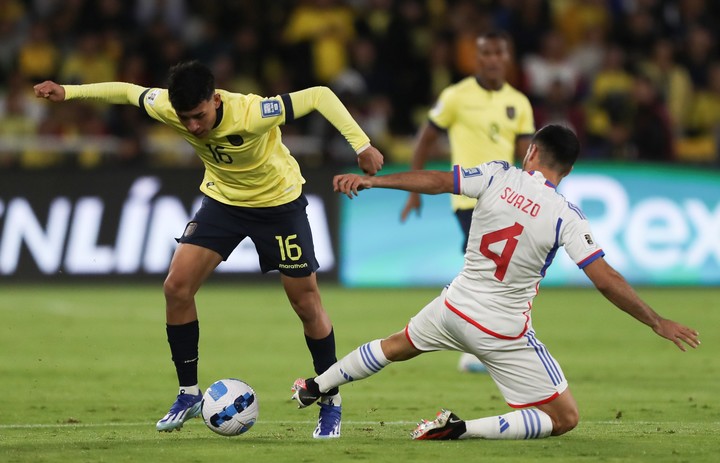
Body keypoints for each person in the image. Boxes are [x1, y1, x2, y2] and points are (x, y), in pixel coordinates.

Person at [34, 60, 384, 439]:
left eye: (199, 116)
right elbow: (126, 92)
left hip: (279, 207)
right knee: (176, 287)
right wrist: (69, 92)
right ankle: (188, 394)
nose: (193, 127)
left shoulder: (252, 112)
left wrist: (361, 145)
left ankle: (329, 398)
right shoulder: (168, 105)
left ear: (216, 100)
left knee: (305, 303)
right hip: (223, 204)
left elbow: (319, 95)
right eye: (185, 119)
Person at [291, 124, 700, 440]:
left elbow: (438, 182)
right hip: (502, 331)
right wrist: (656, 321)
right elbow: (606, 280)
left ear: (532, 151)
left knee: (395, 345)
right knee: (565, 418)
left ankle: (316, 384)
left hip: (453, 307)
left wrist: (376, 181)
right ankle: (460, 429)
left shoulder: (497, 175)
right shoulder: (566, 216)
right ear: (569, 170)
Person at [400, 30, 535, 373]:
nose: (491, 59)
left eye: (498, 53)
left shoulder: (519, 102)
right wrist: (415, 189)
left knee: (501, 272)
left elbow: (527, 155)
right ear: (477, 59)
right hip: (468, 199)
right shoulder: (456, 96)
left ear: (507, 57)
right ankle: (480, 346)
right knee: (487, 272)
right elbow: (425, 139)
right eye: (485, 53)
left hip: (507, 199)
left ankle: (484, 342)